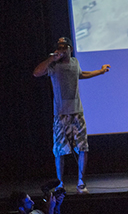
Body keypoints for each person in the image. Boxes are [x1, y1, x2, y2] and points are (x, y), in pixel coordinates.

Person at [33, 37, 111, 193]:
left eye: (64, 46)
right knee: (60, 151)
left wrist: (100, 71)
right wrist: (51, 58)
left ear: (70, 48)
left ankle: (81, 182)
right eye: (59, 47)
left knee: (83, 147)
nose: (61, 49)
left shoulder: (75, 62)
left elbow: (81, 74)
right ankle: (60, 184)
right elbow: (36, 73)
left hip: (77, 113)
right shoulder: (54, 65)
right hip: (61, 115)